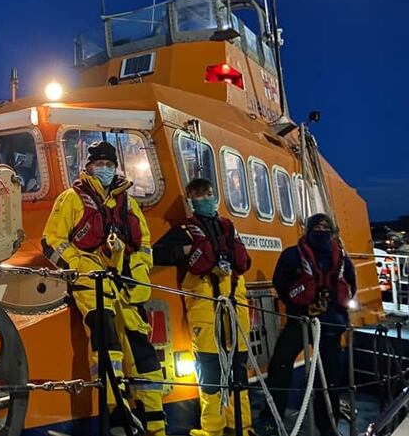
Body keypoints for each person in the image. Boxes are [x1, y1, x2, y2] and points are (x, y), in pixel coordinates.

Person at [42, 141, 166, 436]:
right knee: (107, 346)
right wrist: (83, 267)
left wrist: (134, 266)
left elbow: (145, 244)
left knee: (143, 352)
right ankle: (116, 419)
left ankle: (157, 424)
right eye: (99, 164)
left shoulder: (129, 204)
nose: (105, 169)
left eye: (109, 164)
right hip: (92, 285)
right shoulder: (71, 199)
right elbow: (52, 242)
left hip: (127, 287)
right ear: (88, 167)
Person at [152, 178, 253, 436]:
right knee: (209, 369)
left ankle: (241, 425)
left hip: (234, 305)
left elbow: (244, 261)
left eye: (208, 193)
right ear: (191, 200)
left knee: (238, 368)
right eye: (198, 195)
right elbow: (157, 253)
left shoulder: (228, 227)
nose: (205, 198)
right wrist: (190, 251)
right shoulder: (185, 229)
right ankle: (213, 428)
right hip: (205, 307)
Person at [264, 213, 356, 436]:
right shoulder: (292, 255)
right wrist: (300, 307)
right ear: (308, 229)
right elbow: (281, 282)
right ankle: (272, 417)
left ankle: (327, 423)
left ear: (332, 231)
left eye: (326, 226)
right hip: (300, 322)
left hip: (332, 324)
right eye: (318, 226)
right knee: (280, 365)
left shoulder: (342, 259)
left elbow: (351, 286)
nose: (322, 230)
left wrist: (332, 303)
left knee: (331, 376)